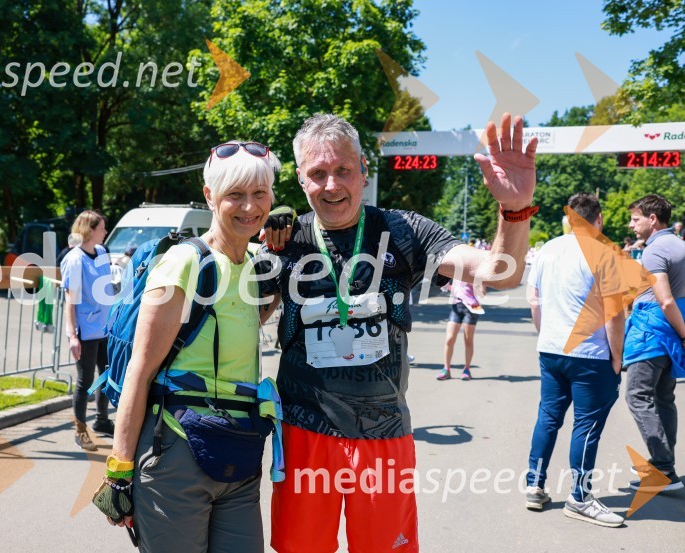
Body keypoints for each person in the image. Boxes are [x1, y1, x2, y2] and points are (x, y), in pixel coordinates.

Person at [260, 112, 537, 553]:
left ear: (363, 169)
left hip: (383, 435)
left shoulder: (404, 230)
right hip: (304, 433)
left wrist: (515, 210)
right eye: (318, 173)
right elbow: (241, 318)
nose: (332, 185)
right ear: (300, 178)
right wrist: (254, 222)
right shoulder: (285, 240)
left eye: (343, 169)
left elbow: (500, 273)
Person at [107, 141, 281, 552]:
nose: (249, 206)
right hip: (177, 450)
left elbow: (242, 323)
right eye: (235, 194)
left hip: (240, 451)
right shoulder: (184, 262)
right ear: (209, 196)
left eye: (260, 193)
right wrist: (119, 470)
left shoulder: (256, 263)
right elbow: (140, 370)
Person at [524, 193, 625, 527]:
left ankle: (534, 485)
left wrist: (546, 335)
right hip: (589, 354)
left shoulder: (548, 250)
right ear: (598, 219)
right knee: (587, 425)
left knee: (548, 417)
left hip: (551, 348)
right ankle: (580, 497)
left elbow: (534, 300)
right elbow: (614, 314)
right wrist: (617, 356)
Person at [623, 194, 685, 492]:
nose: (631, 225)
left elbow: (665, 299)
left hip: (653, 332)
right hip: (670, 331)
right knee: (663, 398)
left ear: (652, 218)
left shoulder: (655, 250)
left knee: (637, 395)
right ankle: (665, 465)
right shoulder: (680, 245)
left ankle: (662, 468)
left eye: (635, 219)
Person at [61, 210, 114, 451]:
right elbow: (70, 301)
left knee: (107, 376)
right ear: (90, 231)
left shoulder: (101, 252)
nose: (105, 232)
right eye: (102, 228)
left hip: (104, 327)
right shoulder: (74, 260)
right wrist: (73, 336)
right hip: (85, 330)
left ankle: (102, 420)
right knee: (85, 382)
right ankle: (80, 431)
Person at [438, 280, 483, 381]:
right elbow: (453, 287)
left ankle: (467, 369)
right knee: (449, 339)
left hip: (473, 306)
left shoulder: (476, 273)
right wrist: (446, 285)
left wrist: (476, 285)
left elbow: (483, 292)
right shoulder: (456, 272)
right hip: (456, 306)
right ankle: (446, 369)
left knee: (468, 340)